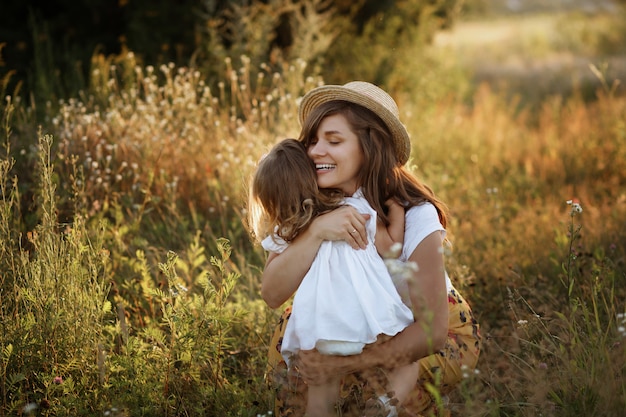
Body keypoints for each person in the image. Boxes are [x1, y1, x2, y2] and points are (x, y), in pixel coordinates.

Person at [262, 81, 481, 417]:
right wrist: (318, 231)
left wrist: (345, 363)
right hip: (351, 322)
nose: (315, 151)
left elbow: (431, 332)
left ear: (369, 147)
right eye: (313, 141)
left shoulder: (413, 215)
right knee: (301, 359)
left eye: (333, 141)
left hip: (415, 329)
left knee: (377, 389)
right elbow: (273, 293)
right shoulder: (310, 207)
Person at [248, 138, 421, 417]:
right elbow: (391, 248)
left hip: (321, 327)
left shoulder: (290, 230)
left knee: (320, 394)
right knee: (406, 364)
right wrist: (398, 212)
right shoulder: (359, 209)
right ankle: (383, 407)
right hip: (370, 319)